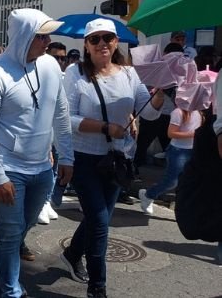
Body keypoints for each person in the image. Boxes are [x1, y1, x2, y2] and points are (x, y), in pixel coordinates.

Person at [0, 8, 74, 298]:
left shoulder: (51, 66)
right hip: (8, 169)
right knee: (11, 233)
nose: (47, 41)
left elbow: (61, 111)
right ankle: (11, 290)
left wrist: (66, 155)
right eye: (41, 36)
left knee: (25, 227)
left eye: (47, 35)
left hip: (42, 167)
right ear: (24, 36)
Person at [60, 18, 164, 298]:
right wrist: (106, 127)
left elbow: (151, 112)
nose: (102, 44)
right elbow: (65, 118)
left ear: (117, 41)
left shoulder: (130, 74)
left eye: (108, 38)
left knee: (99, 219)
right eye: (95, 39)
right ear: (87, 45)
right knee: (99, 220)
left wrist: (160, 90)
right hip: (85, 158)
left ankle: (72, 252)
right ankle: (98, 287)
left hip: (118, 159)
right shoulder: (76, 73)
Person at [139, 103, 201, 214]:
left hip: (194, 150)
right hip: (178, 150)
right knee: (171, 181)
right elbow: (171, 133)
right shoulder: (178, 112)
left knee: (189, 181)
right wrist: (192, 134)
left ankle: (185, 207)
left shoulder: (199, 111)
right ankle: (148, 195)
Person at [133, 43, 183, 174]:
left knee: (169, 146)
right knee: (142, 145)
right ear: (165, 54)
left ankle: (173, 174)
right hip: (152, 113)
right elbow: (145, 89)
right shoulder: (155, 68)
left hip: (169, 115)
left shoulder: (181, 71)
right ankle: (133, 170)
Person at [37, 41, 69, 225]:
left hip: (59, 132)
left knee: (55, 169)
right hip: (43, 133)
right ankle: (40, 203)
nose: (59, 61)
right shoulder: (40, 75)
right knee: (45, 169)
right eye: (55, 57)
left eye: (62, 58)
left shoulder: (66, 76)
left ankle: (47, 201)